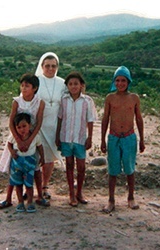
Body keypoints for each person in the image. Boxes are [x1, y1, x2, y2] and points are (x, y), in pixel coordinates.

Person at [0, 73, 49, 209]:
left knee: (36, 169)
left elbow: (38, 123)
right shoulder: (16, 101)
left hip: (33, 138)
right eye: (22, 85)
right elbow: (11, 122)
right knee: (13, 169)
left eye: (27, 86)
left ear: (35, 88)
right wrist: (19, 140)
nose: (24, 88)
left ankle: (40, 197)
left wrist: (29, 140)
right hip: (16, 137)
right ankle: (8, 198)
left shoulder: (40, 102)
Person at [100, 66, 145, 213]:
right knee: (112, 170)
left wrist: (142, 140)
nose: (120, 83)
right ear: (114, 81)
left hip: (129, 137)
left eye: (123, 80)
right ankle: (111, 200)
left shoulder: (134, 98)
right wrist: (102, 140)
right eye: (117, 80)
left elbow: (139, 119)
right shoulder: (110, 98)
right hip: (114, 137)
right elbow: (105, 119)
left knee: (130, 169)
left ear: (128, 81)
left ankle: (131, 197)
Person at [55, 72, 97, 207]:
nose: (73, 87)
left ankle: (79, 192)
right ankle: (71, 194)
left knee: (81, 167)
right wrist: (57, 136)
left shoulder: (87, 101)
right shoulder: (64, 100)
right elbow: (60, 118)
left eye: (76, 84)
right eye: (71, 84)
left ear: (81, 85)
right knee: (68, 165)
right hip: (66, 137)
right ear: (67, 86)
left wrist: (90, 137)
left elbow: (90, 120)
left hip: (79, 138)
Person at [35, 52, 67, 200]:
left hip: (54, 125)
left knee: (49, 158)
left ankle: (44, 186)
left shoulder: (62, 82)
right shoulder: (36, 81)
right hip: (37, 125)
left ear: (57, 67)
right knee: (34, 158)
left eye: (53, 66)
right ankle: (30, 187)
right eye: (47, 66)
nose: (50, 69)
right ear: (42, 67)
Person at [7, 112, 45, 213]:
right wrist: (12, 152)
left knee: (29, 184)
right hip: (17, 163)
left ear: (30, 125)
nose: (22, 129)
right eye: (19, 127)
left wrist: (42, 157)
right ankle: (20, 202)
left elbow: (40, 147)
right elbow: (9, 144)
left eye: (24, 126)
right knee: (18, 184)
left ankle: (30, 202)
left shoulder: (35, 137)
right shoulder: (14, 137)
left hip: (30, 162)